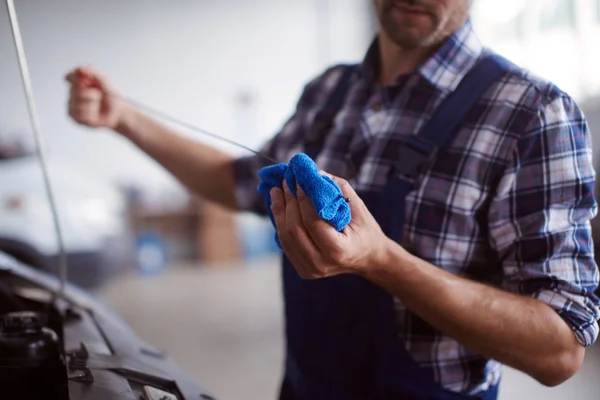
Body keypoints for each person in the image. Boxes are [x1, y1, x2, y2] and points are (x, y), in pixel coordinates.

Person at [65, 0, 600, 398]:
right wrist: (123, 118)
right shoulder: (330, 91)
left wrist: (383, 262)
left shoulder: (533, 114)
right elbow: (236, 180)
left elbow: (559, 349)